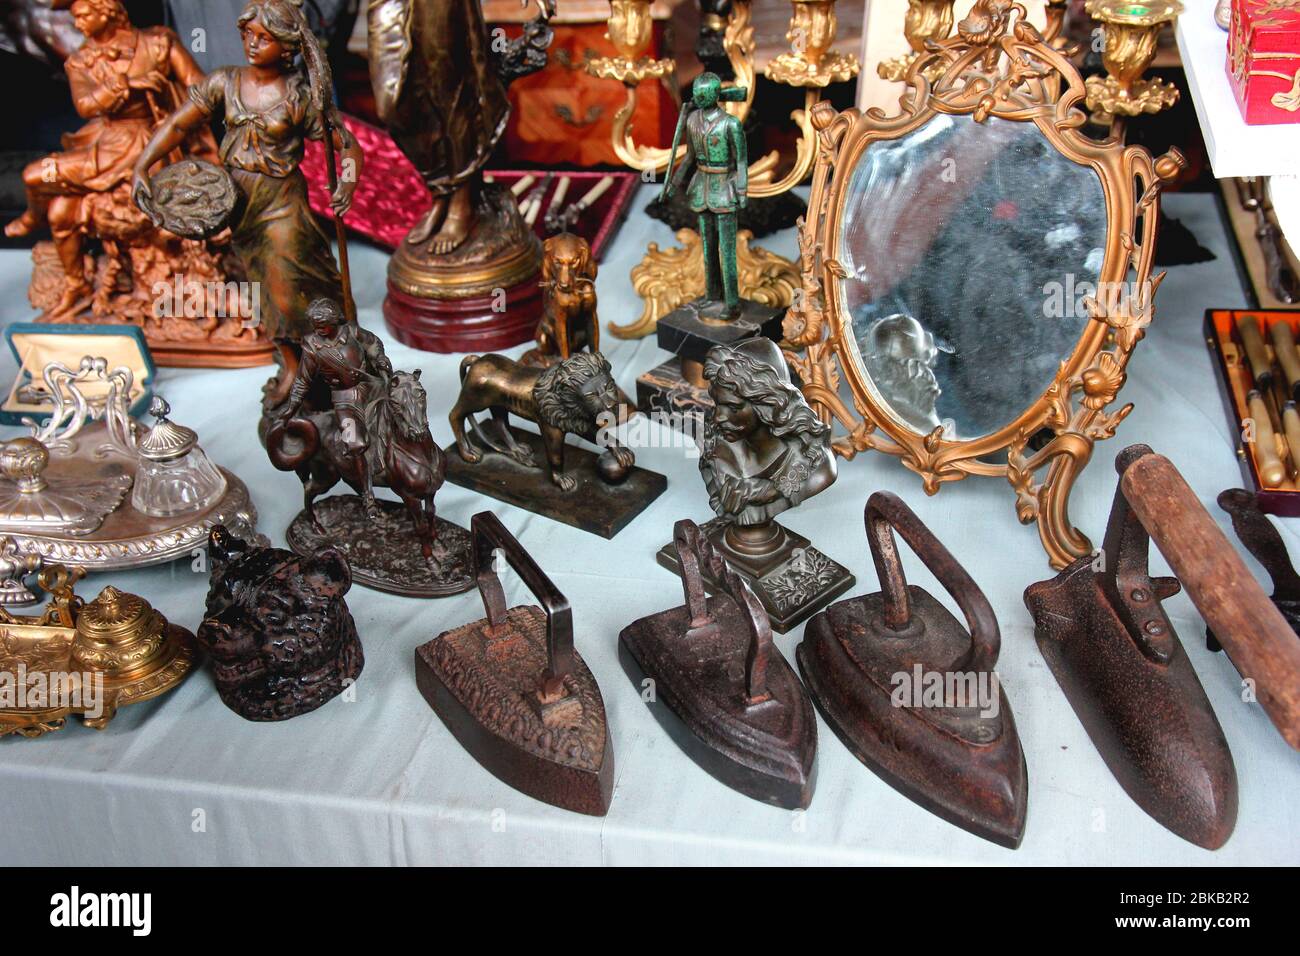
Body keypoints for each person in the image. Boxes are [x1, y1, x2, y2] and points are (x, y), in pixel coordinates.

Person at [131, 0, 363, 369]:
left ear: (286, 47)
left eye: (265, 38)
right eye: (249, 34)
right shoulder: (225, 80)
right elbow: (178, 125)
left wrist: (347, 185)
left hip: (282, 202)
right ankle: (291, 365)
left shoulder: (300, 96)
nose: (253, 44)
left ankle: (326, 358)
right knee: (262, 290)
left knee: (289, 288)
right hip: (239, 203)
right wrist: (143, 164)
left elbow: (348, 147)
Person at [4, 0, 213, 316]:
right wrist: (124, 85)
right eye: (76, 17)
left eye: (85, 15)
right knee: (38, 177)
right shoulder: (81, 61)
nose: (79, 24)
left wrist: (173, 109)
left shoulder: (158, 43)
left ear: (108, 11)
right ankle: (63, 263)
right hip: (104, 145)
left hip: (153, 141)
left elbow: (200, 87)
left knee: (66, 210)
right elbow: (86, 107)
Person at [700, 339, 835, 528]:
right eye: (717, 403)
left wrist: (772, 490)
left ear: (768, 405)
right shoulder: (717, 446)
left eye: (733, 407)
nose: (718, 417)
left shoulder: (814, 462)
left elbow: (817, 474)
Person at [279, 298, 393, 521]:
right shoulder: (312, 346)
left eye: (322, 323)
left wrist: (380, 358)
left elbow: (373, 343)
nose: (318, 328)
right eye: (314, 324)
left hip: (371, 387)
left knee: (401, 413)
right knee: (355, 442)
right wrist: (291, 406)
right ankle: (368, 495)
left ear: (334, 319)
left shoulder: (351, 331)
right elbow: (302, 380)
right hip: (344, 401)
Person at [663, 72, 748, 320]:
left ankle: (731, 302)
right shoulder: (692, 121)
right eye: (697, 93)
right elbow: (689, 157)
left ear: (714, 94)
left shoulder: (730, 124)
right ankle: (712, 295)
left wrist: (742, 190)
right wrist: (673, 182)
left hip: (724, 188)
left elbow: (741, 161)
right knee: (708, 247)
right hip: (701, 187)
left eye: (704, 93)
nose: (699, 97)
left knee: (727, 250)